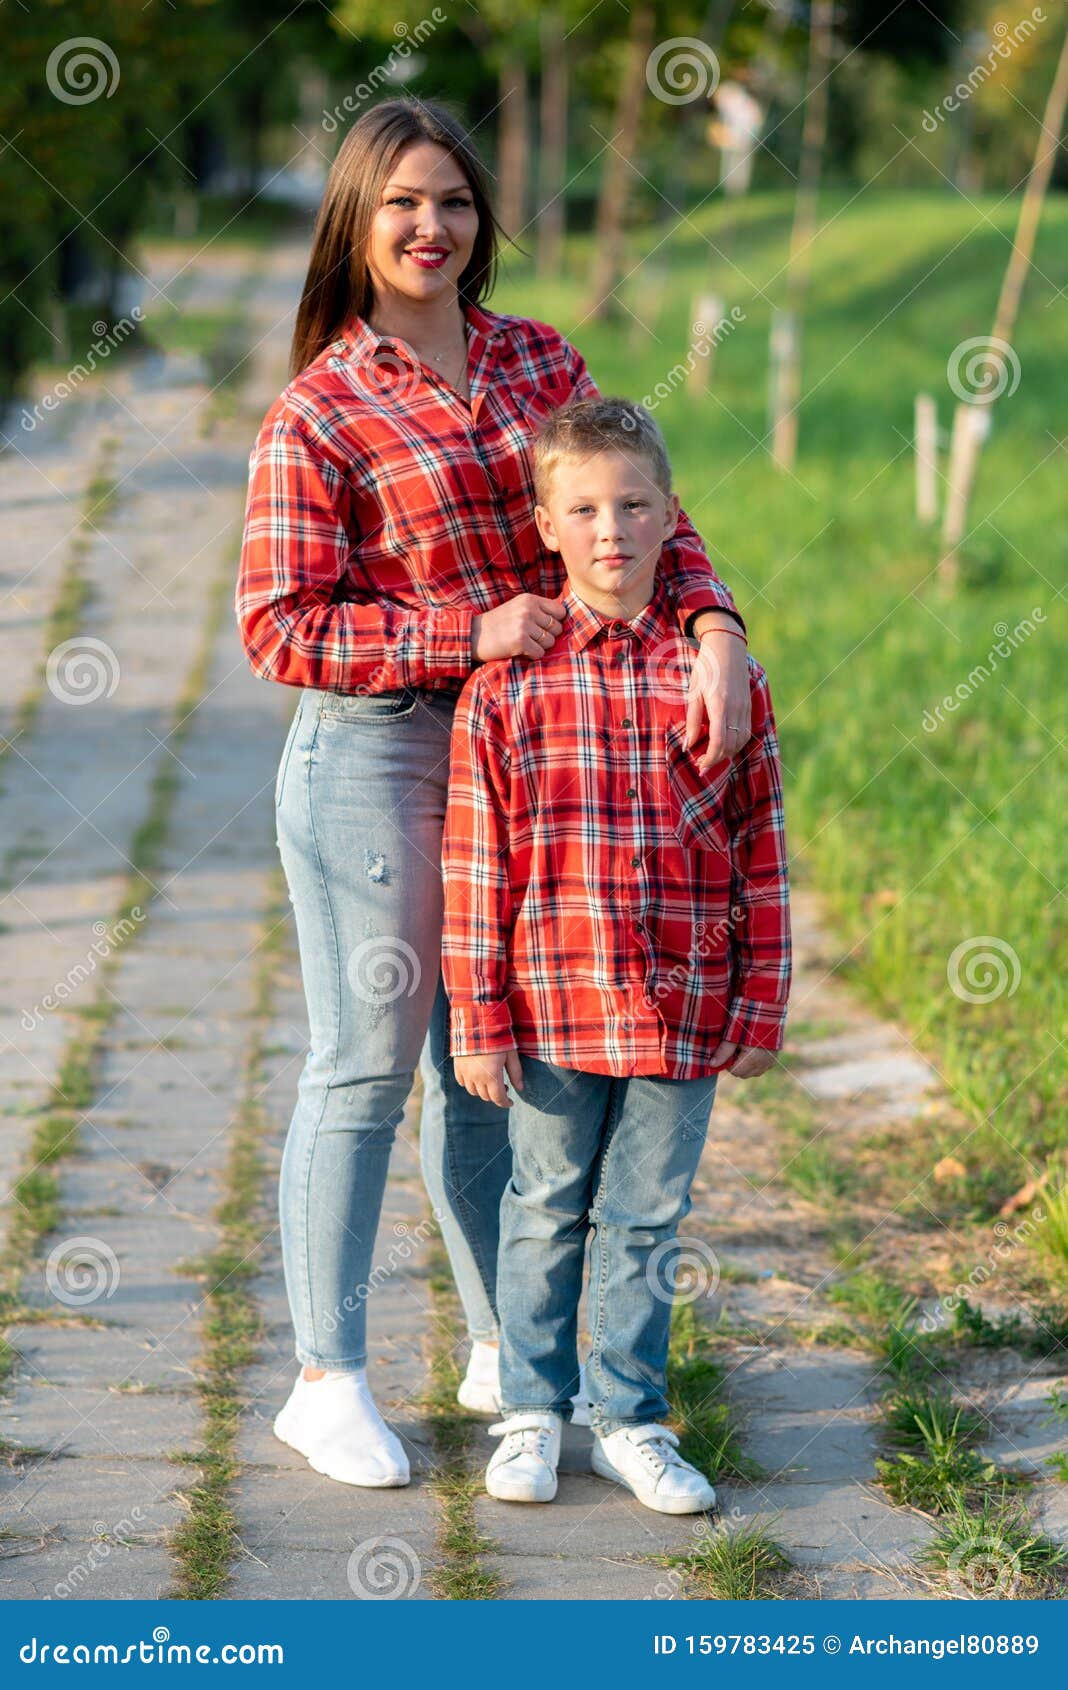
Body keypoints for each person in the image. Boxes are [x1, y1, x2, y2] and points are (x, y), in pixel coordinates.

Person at [236, 97, 753, 1490]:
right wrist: (460, 632)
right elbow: (278, 625)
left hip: (530, 751)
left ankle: (502, 1351)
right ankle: (326, 1379)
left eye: (455, 201)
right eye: (402, 203)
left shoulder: (538, 358)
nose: (432, 226)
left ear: (484, 217)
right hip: (381, 753)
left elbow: (638, 507)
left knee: (490, 1056)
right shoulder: (321, 406)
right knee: (365, 1063)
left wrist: (716, 626)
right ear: (357, 220)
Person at [442, 397, 791, 1513]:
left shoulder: (720, 681)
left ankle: (629, 1418)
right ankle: (532, 1413)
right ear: (546, 525)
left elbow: (762, 853)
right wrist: (478, 1018)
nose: (612, 530)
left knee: (647, 1220)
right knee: (544, 1206)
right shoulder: (505, 690)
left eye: (634, 505)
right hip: (553, 1005)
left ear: (671, 515)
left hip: (685, 1008)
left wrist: (762, 1003)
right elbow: (475, 870)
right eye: (585, 510)